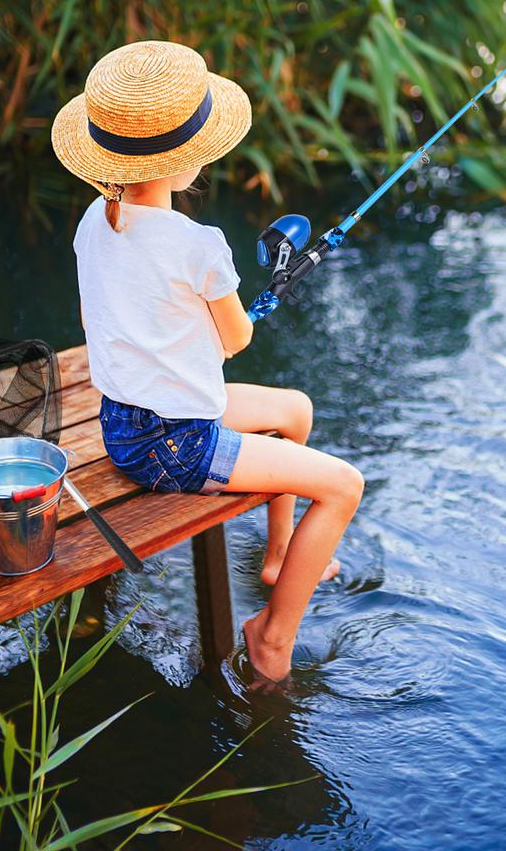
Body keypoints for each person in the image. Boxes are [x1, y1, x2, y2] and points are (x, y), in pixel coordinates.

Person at [51, 40, 364, 685]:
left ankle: (279, 557)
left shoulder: (92, 221)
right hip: (177, 443)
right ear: (189, 162)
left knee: (295, 411)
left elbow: (93, 322)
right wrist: (225, 316)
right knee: (344, 486)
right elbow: (236, 341)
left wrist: (169, 330)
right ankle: (273, 637)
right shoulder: (201, 245)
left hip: (122, 424)